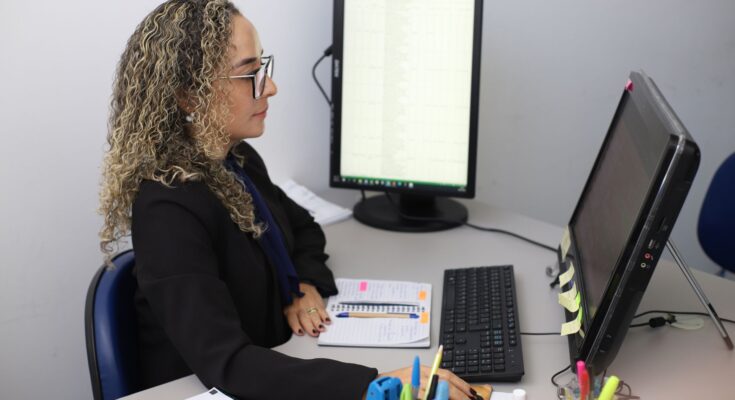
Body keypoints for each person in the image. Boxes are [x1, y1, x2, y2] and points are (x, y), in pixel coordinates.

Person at [99, 1, 476, 398]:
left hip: (275, 362)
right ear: (189, 96)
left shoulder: (236, 160)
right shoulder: (168, 209)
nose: (270, 87)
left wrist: (302, 285)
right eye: (250, 74)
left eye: (262, 67)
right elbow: (228, 364)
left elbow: (303, 227)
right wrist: (372, 385)